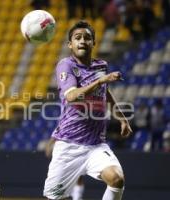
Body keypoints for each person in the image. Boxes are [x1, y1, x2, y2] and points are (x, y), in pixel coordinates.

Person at [43, 21, 133, 200]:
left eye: (87, 38)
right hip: (69, 145)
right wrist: (100, 81)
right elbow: (72, 96)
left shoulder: (101, 66)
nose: (82, 41)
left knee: (117, 179)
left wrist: (122, 118)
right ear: (70, 44)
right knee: (53, 197)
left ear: (94, 43)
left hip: (96, 145)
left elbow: (105, 93)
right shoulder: (65, 65)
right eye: (77, 38)